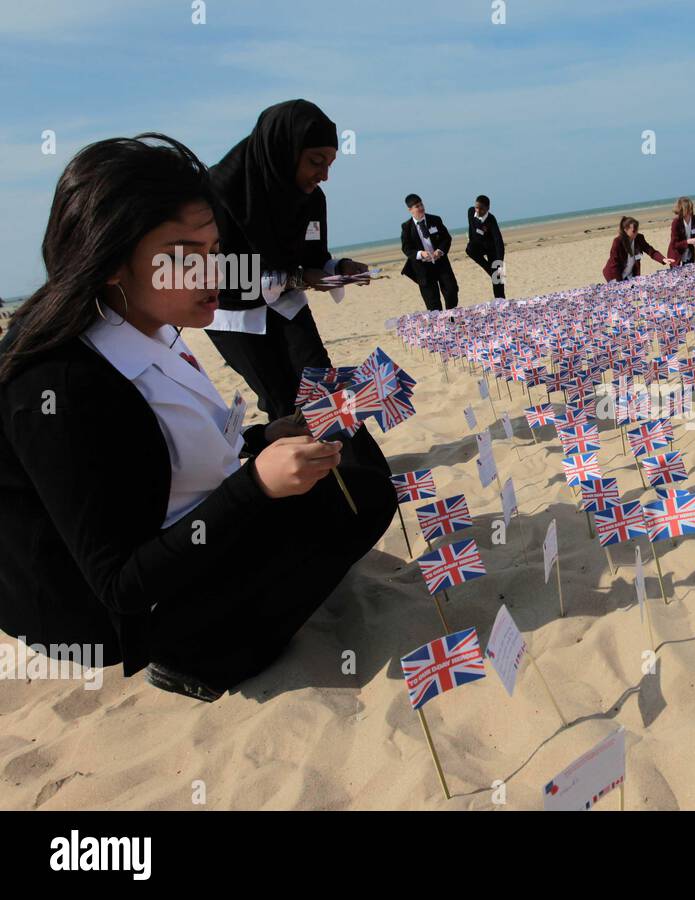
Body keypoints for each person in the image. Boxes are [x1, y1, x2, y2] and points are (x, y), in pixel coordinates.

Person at [0, 135, 396, 702]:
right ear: (111, 260)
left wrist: (263, 438)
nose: (214, 273)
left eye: (216, 250)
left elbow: (170, 450)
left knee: (364, 495)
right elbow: (119, 585)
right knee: (339, 513)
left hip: (184, 526)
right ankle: (201, 659)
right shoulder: (58, 385)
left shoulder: (145, 319)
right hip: (107, 619)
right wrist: (256, 485)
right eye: (185, 257)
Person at [203, 100, 372, 423]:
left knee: (324, 386)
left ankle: (354, 469)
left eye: (330, 164)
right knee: (279, 396)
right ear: (283, 151)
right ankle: (305, 470)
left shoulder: (311, 198)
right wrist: (299, 276)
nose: (323, 175)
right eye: (315, 162)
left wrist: (337, 269)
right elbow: (219, 272)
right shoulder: (220, 193)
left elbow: (313, 256)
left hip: (286, 302)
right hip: (235, 312)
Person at [400, 194, 459, 312]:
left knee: (451, 290)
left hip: (441, 263)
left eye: (421, 204)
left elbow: (446, 238)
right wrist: (421, 254)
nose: (421, 208)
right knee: (432, 302)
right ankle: (438, 325)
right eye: (417, 206)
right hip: (423, 268)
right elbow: (406, 248)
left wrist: (440, 251)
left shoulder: (435, 219)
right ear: (410, 210)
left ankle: (451, 317)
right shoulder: (406, 227)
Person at [603, 216, 672, 281]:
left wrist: (663, 259)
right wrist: (619, 283)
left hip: (630, 274)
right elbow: (614, 265)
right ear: (625, 230)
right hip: (614, 275)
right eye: (633, 231)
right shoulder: (617, 242)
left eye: (637, 230)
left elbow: (650, 251)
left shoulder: (639, 238)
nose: (636, 233)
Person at [465, 195, 506, 299]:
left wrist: (500, 262)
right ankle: (489, 269)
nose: (478, 211)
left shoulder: (491, 219)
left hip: (492, 248)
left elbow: (498, 241)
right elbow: (472, 228)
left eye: (481, 208)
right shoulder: (471, 211)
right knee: (469, 249)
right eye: (476, 207)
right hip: (477, 246)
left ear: (488, 208)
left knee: (498, 278)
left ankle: (501, 300)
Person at [667, 197, 695, 265]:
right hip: (676, 256)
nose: (691, 210)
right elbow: (674, 244)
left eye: (691, 208)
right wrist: (688, 241)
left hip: (690, 255)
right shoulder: (676, 222)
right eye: (688, 208)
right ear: (682, 209)